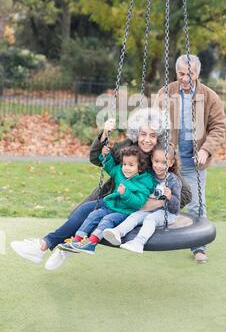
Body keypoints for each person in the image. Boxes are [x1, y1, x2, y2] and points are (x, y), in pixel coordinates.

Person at [11, 107, 192, 270]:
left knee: (94, 216)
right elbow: (98, 159)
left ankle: (58, 247)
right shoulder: (127, 147)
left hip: (132, 209)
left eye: (153, 135)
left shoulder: (161, 157)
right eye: (143, 134)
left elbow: (185, 193)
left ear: (158, 137)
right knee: (83, 210)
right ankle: (49, 246)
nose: (147, 140)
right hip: (115, 197)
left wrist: (157, 203)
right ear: (137, 133)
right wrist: (104, 135)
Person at [156, 54, 226, 263]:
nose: (185, 78)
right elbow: (155, 123)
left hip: (195, 161)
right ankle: (154, 236)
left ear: (198, 73)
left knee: (196, 205)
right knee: (159, 198)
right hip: (169, 161)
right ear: (176, 72)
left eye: (190, 74)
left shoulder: (210, 96)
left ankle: (198, 247)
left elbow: (219, 127)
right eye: (182, 74)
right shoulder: (165, 93)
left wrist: (206, 149)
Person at [58, 145, 156, 254]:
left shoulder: (144, 182)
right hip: (110, 205)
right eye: (124, 164)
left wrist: (126, 194)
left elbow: (139, 203)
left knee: (108, 219)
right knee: (94, 215)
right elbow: (109, 166)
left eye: (131, 165)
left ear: (140, 167)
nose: (126, 168)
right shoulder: (120, 172)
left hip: (124, 212)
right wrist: (106, 155)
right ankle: (78, 240)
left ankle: (91, 243)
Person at [103, 143, 181, 253]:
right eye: (156, 161)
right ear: (152, 160)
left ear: (171, 163)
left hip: (168, 213)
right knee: (136, 215)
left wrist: (170, 197)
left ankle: (139, 243)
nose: (159, 165)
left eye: (164, 162)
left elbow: (176, 208)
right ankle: (117, 232)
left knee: (151, 219)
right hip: (150, 210)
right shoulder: (149, 176)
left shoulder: (173, 181)